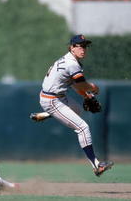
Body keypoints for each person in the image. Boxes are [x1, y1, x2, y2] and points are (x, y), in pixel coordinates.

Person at [31, 34, 113, 177]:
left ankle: (47, 114)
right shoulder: (72, 63)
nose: (83, 49)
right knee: (83, 128)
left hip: (58, 97)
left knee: (78, 111)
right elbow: (81, 84)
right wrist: (93, 88)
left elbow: (75, 84)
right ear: (72, 47)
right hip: (52, 100)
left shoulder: (70, 59)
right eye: (80, 46)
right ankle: (96, 165)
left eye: (85, 46)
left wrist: (85, 95)